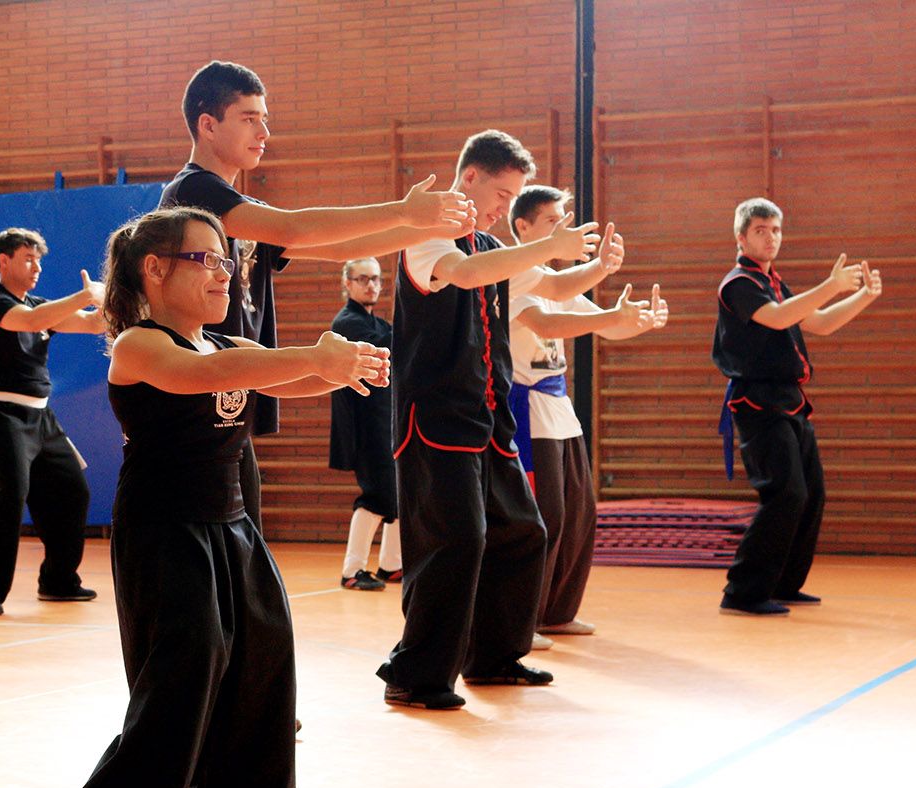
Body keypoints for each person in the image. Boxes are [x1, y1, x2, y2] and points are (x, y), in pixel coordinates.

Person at [70, 207, 388, 788]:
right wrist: (318, 355)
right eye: (205, 259)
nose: (223, 273)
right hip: (165, 526)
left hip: (230, 521)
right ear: (154, 270)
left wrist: (339, 366)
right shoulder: (139, 345)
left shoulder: (225, 346)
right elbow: (203, 380)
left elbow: (283, 374)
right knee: (188, 658)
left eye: (225, 260)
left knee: (263, 647)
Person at [159, 60, 472, 530]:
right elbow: (296, 226)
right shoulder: (193, 192)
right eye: (249, 118)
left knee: (240, 567)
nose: (264, 131)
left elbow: (342, 247)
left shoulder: (243, 209)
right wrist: (403, 210)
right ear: (207, 124)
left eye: (265, 118)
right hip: (187, 412)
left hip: (227, 406)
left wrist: (416, 227)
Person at [377, 130, 605, 708]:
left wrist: (594, 270)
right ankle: (415, 674)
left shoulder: (489, 244)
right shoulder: (427, 235)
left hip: (489, 418)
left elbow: (538, 288)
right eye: (501, 194)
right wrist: (545, 247)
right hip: (435, 419)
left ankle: (494, 657)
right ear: (470, 178)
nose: (505, 208)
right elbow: (465, 275)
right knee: (454, 542)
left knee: (523, 532)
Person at [507, 185, 669, 638]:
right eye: (553, 223)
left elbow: (597, 321)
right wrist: (607, 308)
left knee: (580, 513)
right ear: (523, 226)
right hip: (528, 411)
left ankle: (557, 612)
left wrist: (633, 321)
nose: (565, 230)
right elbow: (548, 323)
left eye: (565, 220)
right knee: (546, 517)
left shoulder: (554, 280)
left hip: (561, 412)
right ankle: (524, 619)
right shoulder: (512, 275)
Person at [714, 197, 881, 615]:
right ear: (741, 237)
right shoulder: (738, 284)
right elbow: (776, 317)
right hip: (757, 403)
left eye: (776, 230)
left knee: (811, 494)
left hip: (791, 402)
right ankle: (743, 592)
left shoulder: (776, 283)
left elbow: (820, 322)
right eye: (760, 230)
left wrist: (862, 297)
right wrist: (829, 286)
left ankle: (784, 583)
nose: (770, 237)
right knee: (785, 493)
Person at [0, 228, 106, 616]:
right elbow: (33, 319)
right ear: (3, 261)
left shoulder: (40, 305)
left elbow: (92, 325)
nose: (36, 266)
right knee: (10, 502)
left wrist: (110, 302)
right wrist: (85, 297)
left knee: (72, 490)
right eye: (28, 258)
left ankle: (58, 581)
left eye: (39, 259)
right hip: (4, 415)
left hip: (42, 416)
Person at [327, 257, 400, 590]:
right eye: (363, 279)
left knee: (397, 495)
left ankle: (391, 565)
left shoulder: (378, 324)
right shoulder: (347, 323)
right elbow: (394, 349)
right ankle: (351, 571)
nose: (371, 285)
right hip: (365, 428)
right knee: (377, 496)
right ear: (348, 284)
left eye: (376, 279)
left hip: (385, 424)